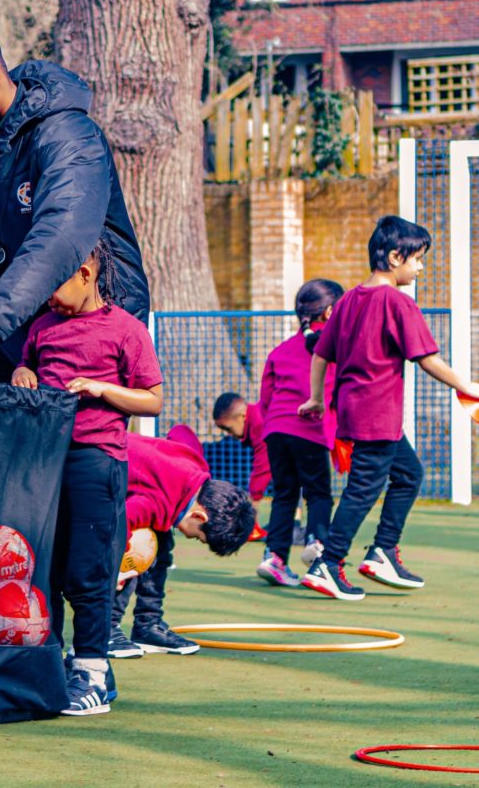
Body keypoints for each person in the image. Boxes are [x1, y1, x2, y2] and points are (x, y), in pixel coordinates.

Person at [0, 26, 150, 386]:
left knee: (72, 440)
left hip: (91, 325)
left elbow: (59, 238)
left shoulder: (69, 135)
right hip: (20, 329)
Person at [12, 240, 163, 716]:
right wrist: (21, 371)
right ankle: (53, 665)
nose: (46, 297)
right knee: (47, 569)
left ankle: (93, 672)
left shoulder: (126, 329)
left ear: (84, 274)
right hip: (44, 463)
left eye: (52, 285)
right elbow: (28, 365)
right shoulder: (42, 327)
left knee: (90, 571)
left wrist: (103, 388)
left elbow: (153, 399)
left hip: (97, 461)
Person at [300, 216, 479, 601]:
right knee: (363, 492)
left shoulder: (347, 300)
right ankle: (327, 565)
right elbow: (427, 358)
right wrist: (466, 386)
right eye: (418, 259)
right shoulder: (397, 302)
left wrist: (316, 398)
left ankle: (382, 551)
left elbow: (320, 354)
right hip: (376, 416)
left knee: (410, 473)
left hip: (356, 411)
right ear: (396, 257)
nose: (421, 267)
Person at [109, 426, 255, 660]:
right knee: (134, 551)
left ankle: (148, 625)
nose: (191, 537)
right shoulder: (154, 502)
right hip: (83, 472)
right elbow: (119, 524)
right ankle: (105, 628)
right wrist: (114, 570)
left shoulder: (197, 467)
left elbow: (181, 431)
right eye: (198, 536)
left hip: (126, 468)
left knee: (162, 543)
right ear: (199, 517)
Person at [255, 279, 343, 588]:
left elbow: (265, 398)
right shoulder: (332, 350)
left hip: (276, 430)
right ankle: (317, 542)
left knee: (284, 495)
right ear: (331, 312)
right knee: (318, 492)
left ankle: (274, 557)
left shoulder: (280, 350)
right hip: (310, 428)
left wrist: (273, 424)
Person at [212, 392, 272, 541]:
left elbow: (262, 469)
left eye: (228, 429)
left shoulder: (258, 421)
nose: (229, 435)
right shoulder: (257, 417)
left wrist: (250, 519)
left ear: (242, 416)